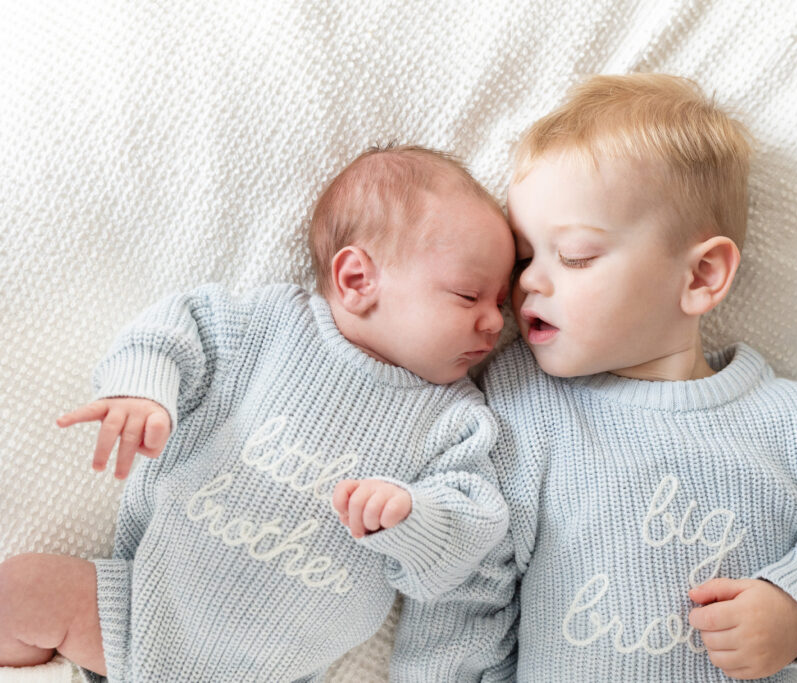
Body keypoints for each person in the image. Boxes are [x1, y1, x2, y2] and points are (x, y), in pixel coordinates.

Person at [391, 74, 797, 681]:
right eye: (523, 256)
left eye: (574, 256)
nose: (529, 283)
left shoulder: (795, 425)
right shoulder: (524, 407)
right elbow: (470, 584)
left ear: (700, 276)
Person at [0, 144, 515, 682]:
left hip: (275, 670)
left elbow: (473, 528)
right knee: (23, 589)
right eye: (468, 295)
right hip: (143, 614)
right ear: (358, 280)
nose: (492, 324)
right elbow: (178, 327)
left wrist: (414, 515)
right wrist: (144, 392)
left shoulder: (457, 420)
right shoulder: (268, 327)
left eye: (499, 305)